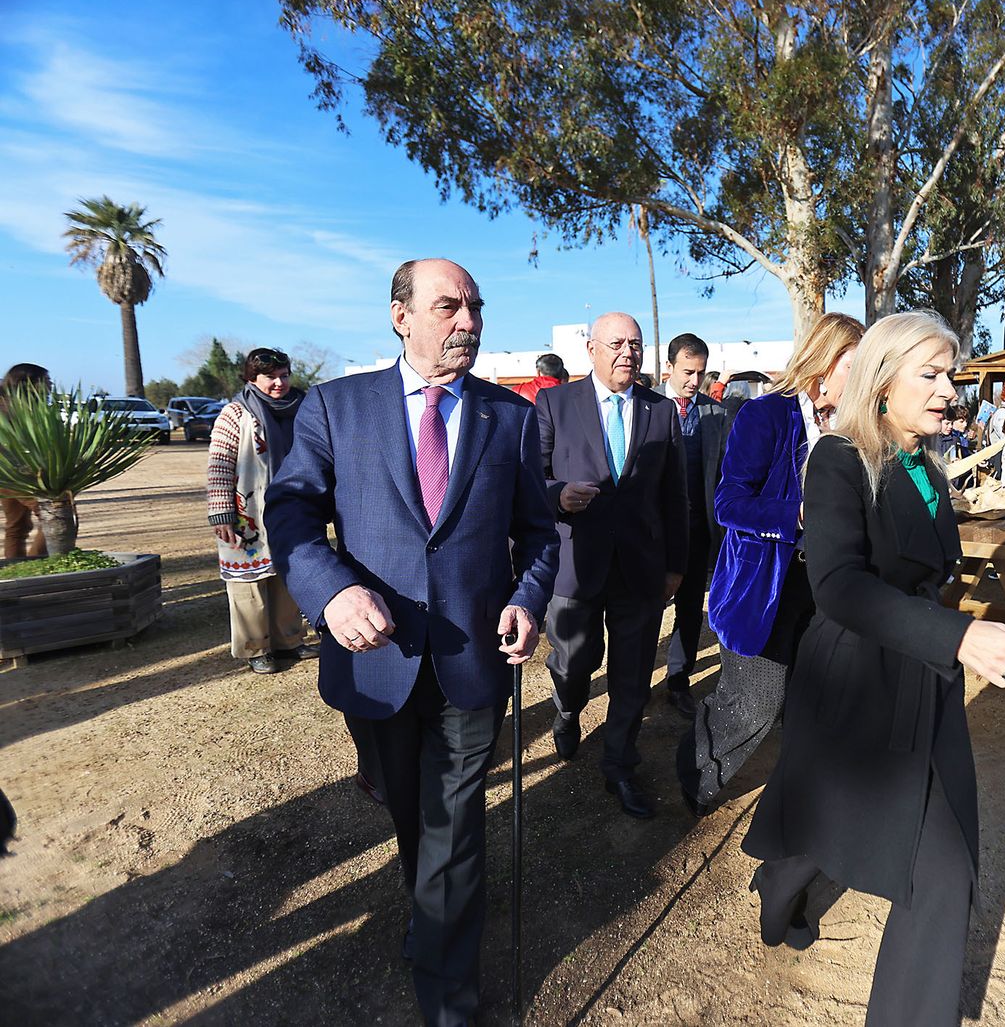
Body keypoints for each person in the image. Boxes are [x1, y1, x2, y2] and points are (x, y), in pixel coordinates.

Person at [265, 258, 560, 1025]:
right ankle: (429, 906)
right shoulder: (335, 407)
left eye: (474, 307)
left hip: (472, 661)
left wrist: (528, 598)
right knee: (410, 814)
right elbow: (291, 514)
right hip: (375, 665)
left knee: (455, 826)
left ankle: (448, 999)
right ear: (401, 316)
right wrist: (332, 592)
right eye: (447, 306)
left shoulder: (513, 416)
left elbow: (537, 532)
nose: (468, 320)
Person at [743, 311, 1005, 1027]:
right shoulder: (840, 458)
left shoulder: (924, 460)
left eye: (953, 376)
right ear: (881, 381)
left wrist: (952, 636)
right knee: (825, 824)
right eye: (931, 374)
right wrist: (960, 635)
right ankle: (778, 886)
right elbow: (838, 585)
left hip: (924, 675)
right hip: (857, 681)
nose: (950, 392)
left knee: (945, 870)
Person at [679, 313, 864, 815]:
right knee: (753, 706)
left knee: (810, 700)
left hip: (828, 586)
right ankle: (696, 772)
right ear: (824, 362)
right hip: (765, 587)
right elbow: (729, 504)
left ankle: (802, 801)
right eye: (856, 364)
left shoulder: (855, 425)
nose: (867, 376)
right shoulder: (765, 415)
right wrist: (798, 512)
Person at [536, 311, 689, 820]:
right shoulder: (555, 402)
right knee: (574, 662)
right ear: (591, 349)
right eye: (618, 343)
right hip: (576, 565)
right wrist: (558, 495)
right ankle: (567, 708)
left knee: (632, 676)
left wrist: (676, 566)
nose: (629, 352)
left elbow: (676, 494)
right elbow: (530, 480)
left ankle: (620, 765)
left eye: (637, 344)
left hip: (641, 569)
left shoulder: (661, 410)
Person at [205, 349, 316, 675]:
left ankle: (289, 641)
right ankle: (257, 648)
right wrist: (222, 512)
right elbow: (220, 464)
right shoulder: (235, 414)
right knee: (248, 582)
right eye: (271, 377)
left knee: (290, 575)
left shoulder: (302, 407)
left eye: (284, 375)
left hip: (292, 506)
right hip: (247, 511)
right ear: (252, 379)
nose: (280, 383)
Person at [660, 332, 732, 719]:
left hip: (698, 528)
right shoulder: (646, 405)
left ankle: (678, 679)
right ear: (669, 366)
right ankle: (635, 682)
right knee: (646, 608)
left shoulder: (715, 414)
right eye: (688, 372)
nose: (694, 380)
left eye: (701, 373)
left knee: (689, 609)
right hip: (654, 531)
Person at [1, 364, 51, 560]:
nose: (51, 385)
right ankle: (37, 565)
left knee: (17, 526)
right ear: (29, 383)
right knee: (58, 515)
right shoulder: (14, 408)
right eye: (46, 381)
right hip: (14, 473)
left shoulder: (16, 404)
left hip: (9, 474)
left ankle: (16, 571)